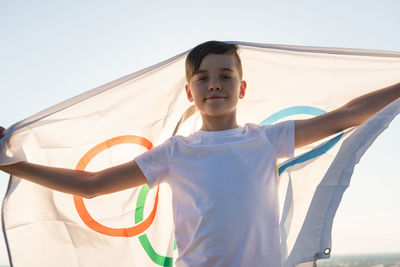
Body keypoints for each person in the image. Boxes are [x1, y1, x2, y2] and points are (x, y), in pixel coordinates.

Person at [0, 41, 399, 266]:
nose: (214, 85)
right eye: (203, 78)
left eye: (226, 76)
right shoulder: (175, 153)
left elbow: (344, 116)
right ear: (190, 92)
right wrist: (14, 164)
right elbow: (92, 185)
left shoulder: (265, 140)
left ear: (242, 89)